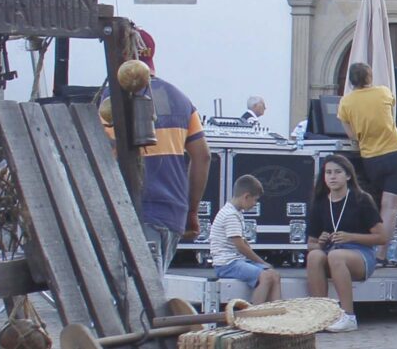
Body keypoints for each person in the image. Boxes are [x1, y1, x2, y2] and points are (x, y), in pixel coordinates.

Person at [102, 28, 208, 272]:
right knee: (152, 291)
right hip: (173, 215)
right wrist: (192, 210)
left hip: (134, 212)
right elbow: (203, 156)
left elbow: (104, 156)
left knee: (137, 299)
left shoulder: (110, 101)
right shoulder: (180, 99)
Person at [338, 61, 397, 255]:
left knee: (372, 202)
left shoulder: (346, 102)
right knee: (390, 207)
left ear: (350, 80)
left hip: (371, 157)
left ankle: (365, 248)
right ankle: (381, 253)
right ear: (369, 77)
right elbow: (391, 110)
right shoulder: (383, 92)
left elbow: (352, 135)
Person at [302, 154, 384, 331]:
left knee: (336, 256)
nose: (332, 176)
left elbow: (382, 237)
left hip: (360, 254)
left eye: (337, 172)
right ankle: (321, 314)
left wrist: (351, 237)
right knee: (315, 255)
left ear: (348, 176)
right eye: (328, 172)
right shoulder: (319, 203)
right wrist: (321, 242)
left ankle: (348, 316)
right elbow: (311, 243)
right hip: (331, 251)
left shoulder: (362, 199)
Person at [207, 175, 283, 303]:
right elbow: (240, 246)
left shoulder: (236, 212)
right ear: (246, 196)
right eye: (255, 200)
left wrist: (262, 264)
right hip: (227, 264)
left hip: (237, 261)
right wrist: (262, 262)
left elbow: (244, 242)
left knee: (274, 275)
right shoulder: (230, 215)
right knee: (266, 277)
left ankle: (277, 312)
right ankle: (253, 315)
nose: (255, 204)